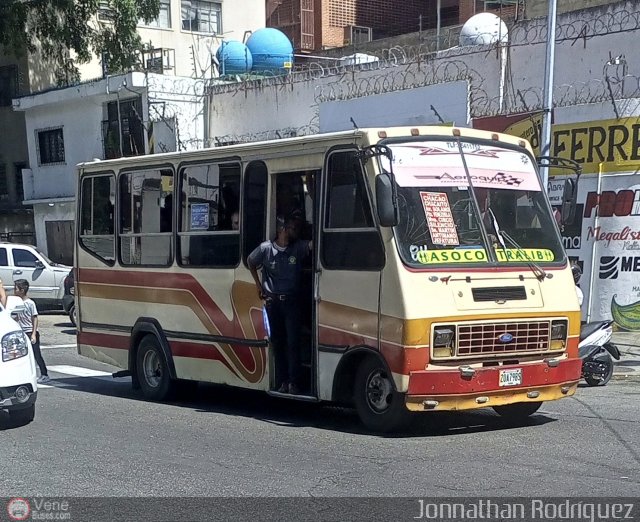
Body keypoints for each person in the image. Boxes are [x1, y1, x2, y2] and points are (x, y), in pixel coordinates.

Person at [247, 215, 312, 395]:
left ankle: (294, 383)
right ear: (281, 230)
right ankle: (282, 381)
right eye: (292, 228)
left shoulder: (297, 248)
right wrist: (259, 286)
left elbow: (312, 245)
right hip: (273, 303)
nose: (295, 232)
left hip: (291, 302)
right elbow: (250, 262)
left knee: (293, 343)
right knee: (278, 343)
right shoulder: (265, 249)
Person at [0, 278, 49, 384]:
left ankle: (44, 374)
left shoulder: (30, 303)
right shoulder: (16, 303)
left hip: (30, 332)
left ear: (22, 290)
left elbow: (34, 318)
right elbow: (17, 317)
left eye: (15, 289)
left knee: (36, 354)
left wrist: (33, 334)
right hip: (21, 332)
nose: (14, 291)